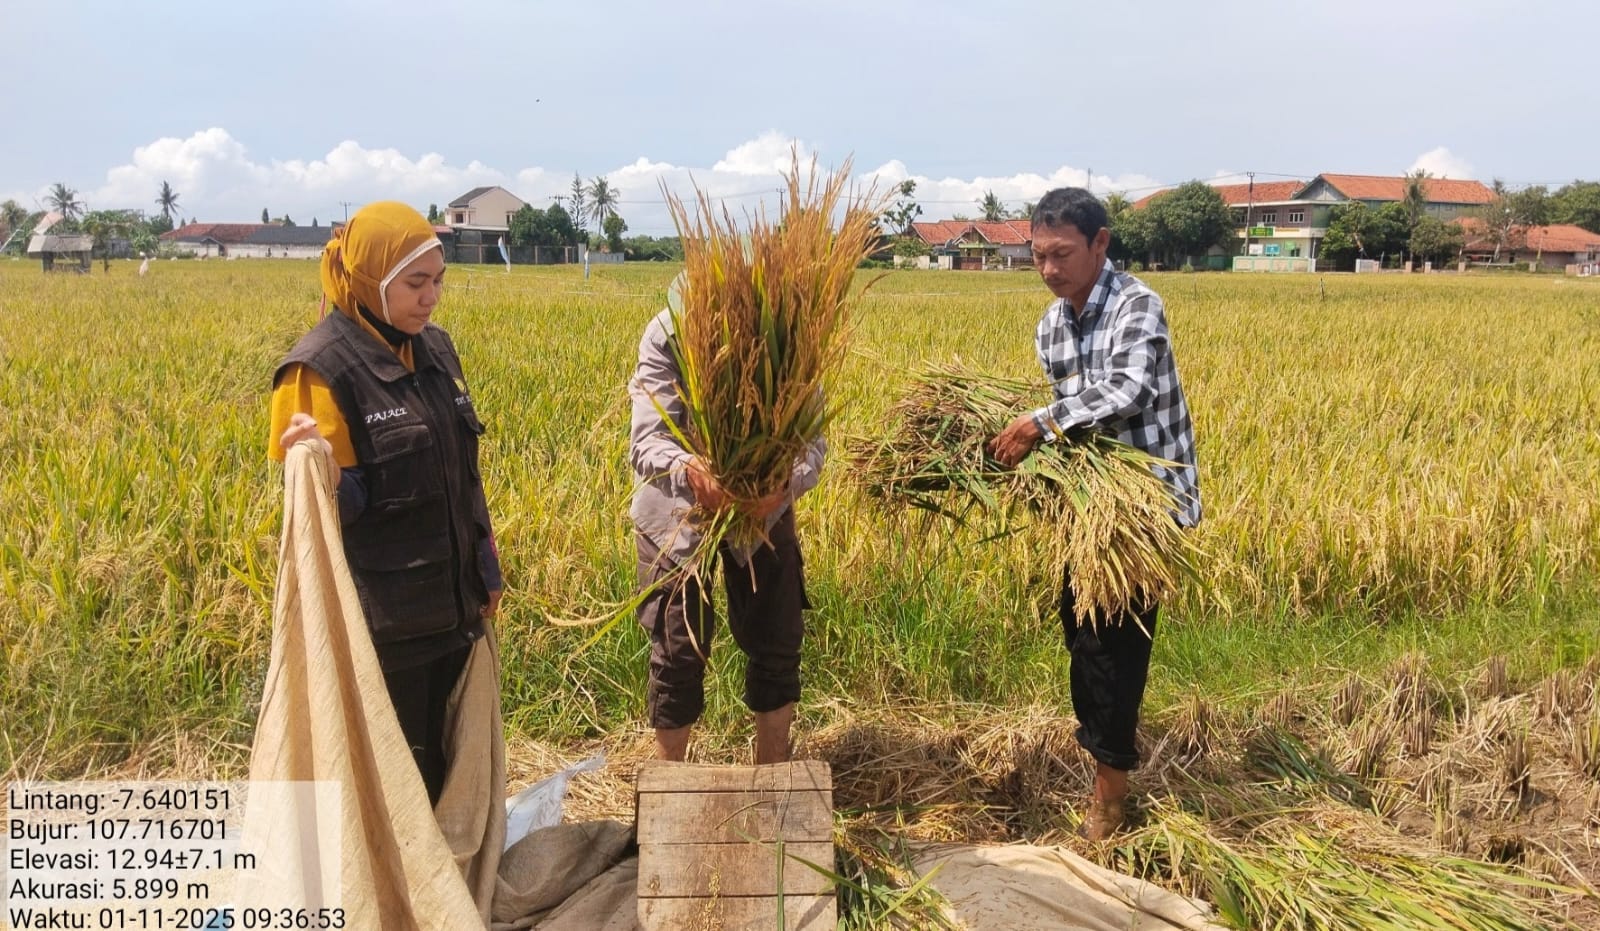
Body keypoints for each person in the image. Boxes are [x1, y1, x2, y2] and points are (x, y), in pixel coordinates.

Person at [267, 201, 503, 804]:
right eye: (416, 284)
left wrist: (486, 565)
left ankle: (443, 894)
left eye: (439, 281)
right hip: (386, 627)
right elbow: (335, 512)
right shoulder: (317, 370)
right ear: (370, 281)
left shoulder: (434, 349)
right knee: (396, 786)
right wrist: (315, 461)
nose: (432, 298)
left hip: (454, 609)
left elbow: (462, 474)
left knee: (448, 777)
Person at [988, 186, 1200, 840]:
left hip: (1143, 507)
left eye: (1063, 254)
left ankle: (1111, 794)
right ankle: (1104, 756)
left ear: (1100, 243)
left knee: (1113, 646)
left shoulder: (1139, 306)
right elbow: (1071, 424)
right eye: (1038, 256)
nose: (1049, 269)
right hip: (1091, 507)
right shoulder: (1051, 326)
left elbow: (1127, 391)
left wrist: (1039, 423)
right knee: (1078, 629)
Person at [627, 280, 825, 765]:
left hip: (764, 504)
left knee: (777, 637)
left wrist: (782, 485)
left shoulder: (790, 340)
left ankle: (772, 772)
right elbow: (646, 442)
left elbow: (813, 445)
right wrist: (692, 469)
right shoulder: (666, 335)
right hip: (677, 509)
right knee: (678, 646)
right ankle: (671, 784)